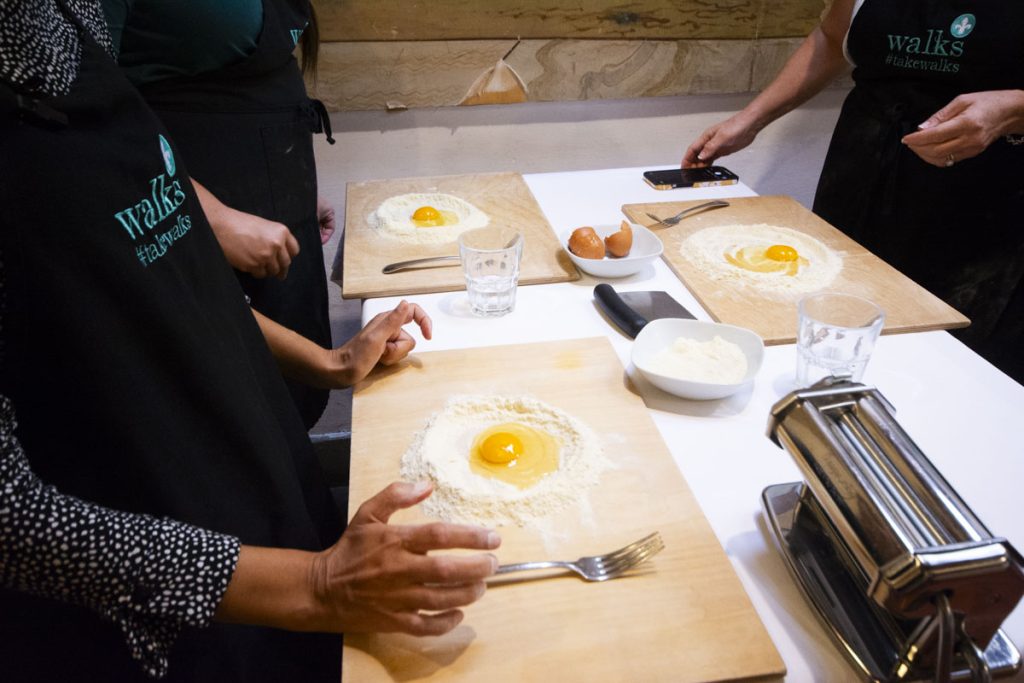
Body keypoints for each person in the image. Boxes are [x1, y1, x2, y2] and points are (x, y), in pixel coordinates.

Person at [0, 2, 499, 680]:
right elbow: (15, 520)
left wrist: (328, 362)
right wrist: (312, 584)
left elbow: (178, 275)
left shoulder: (63, 17)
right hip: (163, 578)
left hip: (256, 477)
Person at [683, 0, 1024, 383]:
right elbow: (831, 38)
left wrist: (1014, 108)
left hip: (988, 199)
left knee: (952, 367)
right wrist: (750, 120)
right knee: (826, 322)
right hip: (862, 170)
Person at [99, 0, 339, 428]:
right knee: (225, 421)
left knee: (289, 410)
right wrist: (210, 215)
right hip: (176, 222)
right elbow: (86, 118)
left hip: (269, 204)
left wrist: (289, 187)